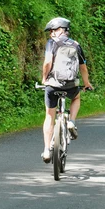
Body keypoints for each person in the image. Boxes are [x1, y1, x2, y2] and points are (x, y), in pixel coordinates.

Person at [40, 17, 93, 163]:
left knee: (49, 116)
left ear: (60, 30)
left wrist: (44, 79)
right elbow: (83, 67)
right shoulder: (76, 45)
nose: (51, 34)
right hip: (71, 85)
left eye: (53, 30)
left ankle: (46, 151)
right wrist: (87, 83)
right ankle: (71, 122)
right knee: (76, 98)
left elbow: (47, 63)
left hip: (52, 85)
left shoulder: (52, 43)